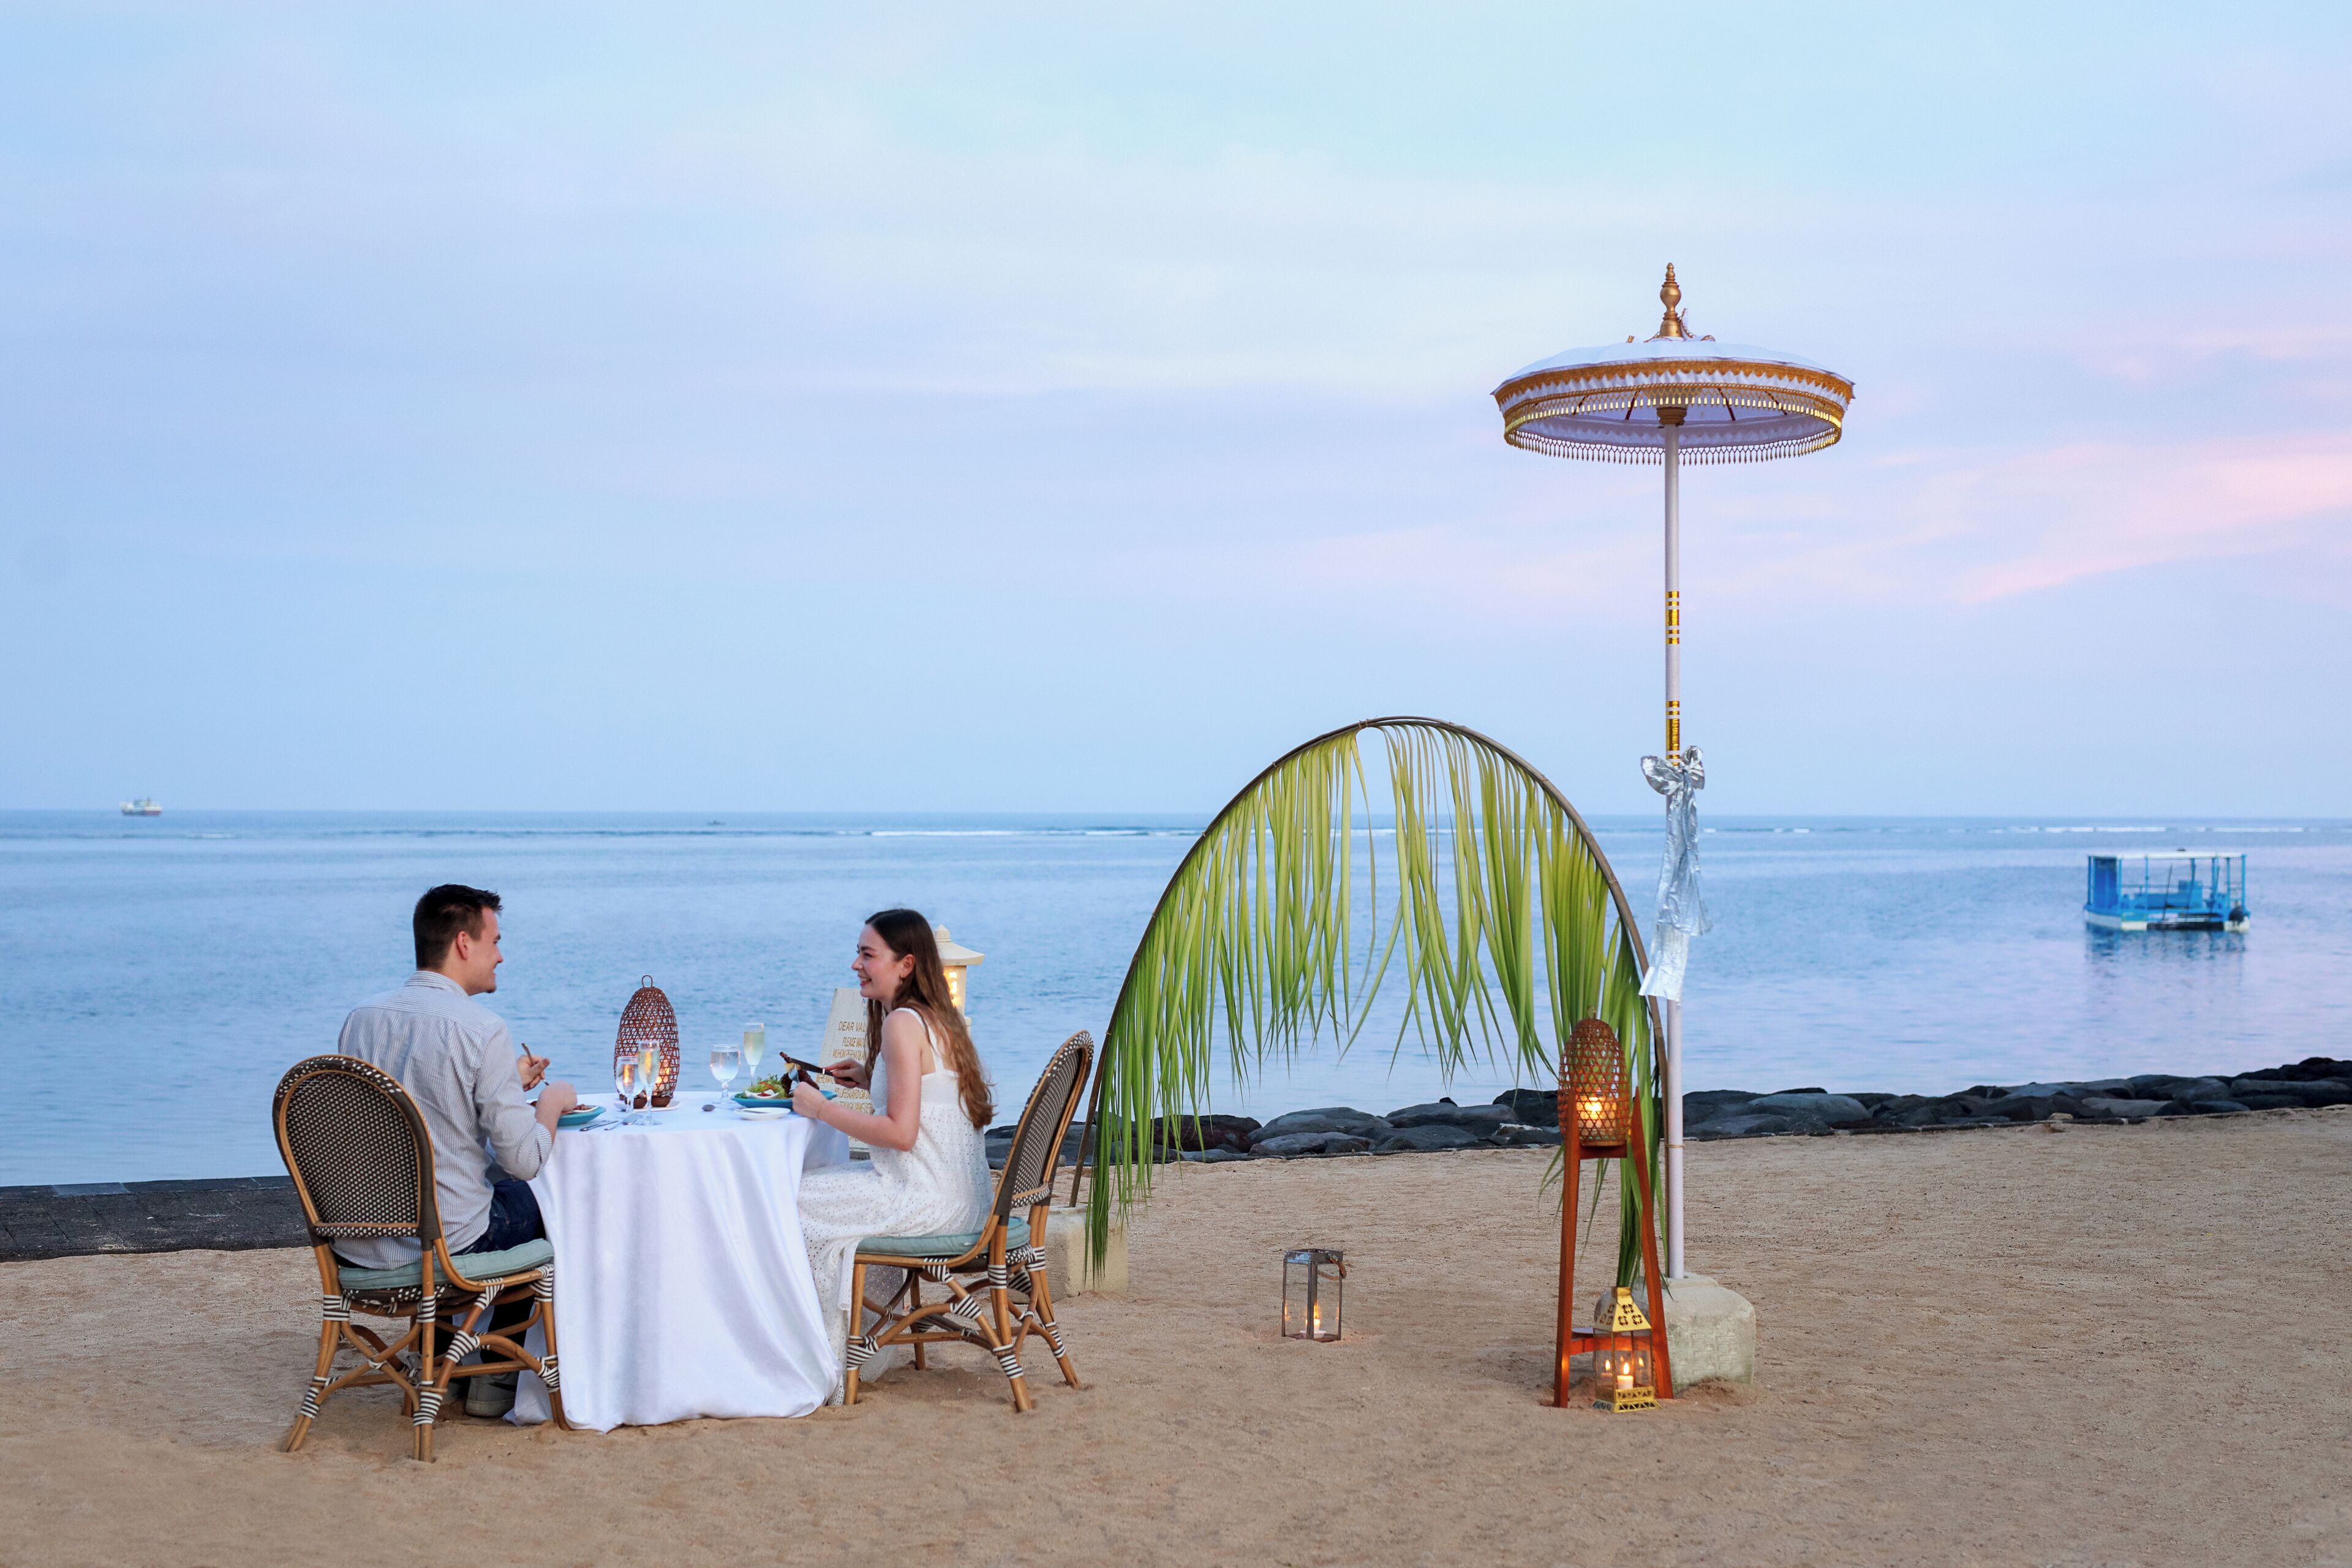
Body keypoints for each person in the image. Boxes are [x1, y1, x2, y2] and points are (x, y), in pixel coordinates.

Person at [333, 884, 577, 1416]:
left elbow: (414, 1108)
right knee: (547, 1203)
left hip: (358, 1243)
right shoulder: (481, 1030)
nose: (501, 955)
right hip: (443, 1248)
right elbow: (525, 1160)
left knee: (462, 1196)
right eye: (495, 941)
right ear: (464, 944)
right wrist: (552, 1106)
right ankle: (494, 1378)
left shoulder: (361, 1019)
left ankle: (443, 1356)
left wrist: (505, 1085)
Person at [793, 909, 995, 1399]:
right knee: (813, 1190)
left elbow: (900, 1134)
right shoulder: (935, 1017)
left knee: (785, 1199)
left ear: (905, 964)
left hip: (923, 1201)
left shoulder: (902, 1024)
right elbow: (930, 1103)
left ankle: (807, 1353)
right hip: (965, 1201)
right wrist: (870, 1078)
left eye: (867, 955)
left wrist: (820, 1108)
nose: (856, 964)